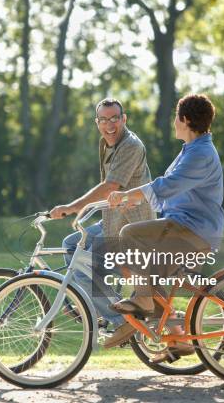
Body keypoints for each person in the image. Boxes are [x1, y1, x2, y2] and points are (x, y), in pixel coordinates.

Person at [104, 94, 224, 362]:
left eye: (176, 116)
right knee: (152, 280)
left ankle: (143, 303)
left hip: (194, 231)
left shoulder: (200, 154)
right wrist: (131, 202)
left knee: (130, 234)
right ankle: (179, 339)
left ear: (186, 120)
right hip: (184, 226)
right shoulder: (191, 150)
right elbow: (170, 192)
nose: (174, 121)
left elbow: (165, 186)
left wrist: (126, 195)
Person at [49, 97, 156, 331]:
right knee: (72, 247)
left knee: (83, 259)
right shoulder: (105, 142)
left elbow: (110, 186)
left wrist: (73, 207)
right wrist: (89, 211)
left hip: (133, 227)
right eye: (104, 120)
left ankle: (120, 322)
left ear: (124, 119)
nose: (110, 125)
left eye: (115, 118)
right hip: (114, 221)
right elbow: (108, 191)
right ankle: (114, 312)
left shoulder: (131, 145)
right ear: (97, 122)